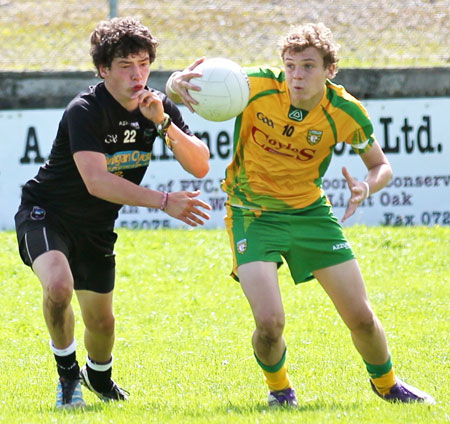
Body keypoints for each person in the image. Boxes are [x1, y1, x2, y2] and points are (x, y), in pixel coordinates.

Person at [165, 22, 435, 407]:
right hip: (251, 213)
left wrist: (366, 186)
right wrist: (177, 81)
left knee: (360, 316)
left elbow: (380, 165)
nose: (296, 75)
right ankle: (280, 392)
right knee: (270, 323)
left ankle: (388, 385)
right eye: (290, 66)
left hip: (311, 214)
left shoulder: (344, 111)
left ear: (329, 70)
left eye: (308, 66)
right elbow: (177, 88)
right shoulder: (253, 86)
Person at [14, 17, 211, 409]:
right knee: (58, 287)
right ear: (104, 70)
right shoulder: (84, 109)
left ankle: (99, 380)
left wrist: (164, 122)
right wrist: (164, 201)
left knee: (101, 323)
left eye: (143, 63)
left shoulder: (158, 107)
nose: (137, 74)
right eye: (125, 66)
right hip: (47, 212)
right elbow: (97, 182)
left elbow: (201, 165)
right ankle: (68, 382)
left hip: (97, 226)